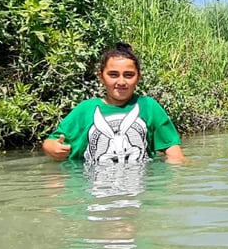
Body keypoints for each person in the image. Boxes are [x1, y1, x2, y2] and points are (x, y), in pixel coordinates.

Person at [42, 42, 185, 164]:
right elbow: (50, 142)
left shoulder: (149, 107)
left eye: (128, 75)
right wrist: (52, 148)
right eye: (113, 75)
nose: (121, 82)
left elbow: (175, 156)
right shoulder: (85, 109)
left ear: (138, 78)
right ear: (101, 77)